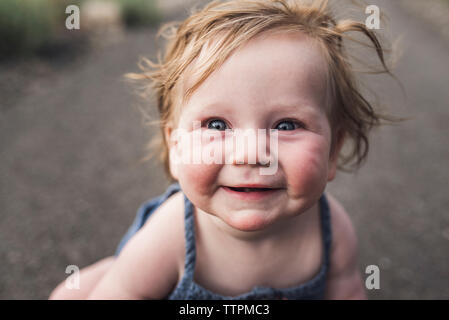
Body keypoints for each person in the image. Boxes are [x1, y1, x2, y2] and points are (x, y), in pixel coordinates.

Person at [50, 0, 398, 299]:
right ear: (176, 146)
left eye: (286, 126)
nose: (250, 154)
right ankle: (115, 266)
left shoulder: (330, 229)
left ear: (333, 151)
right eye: (217, 125)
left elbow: (347, 290)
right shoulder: (172, 232)